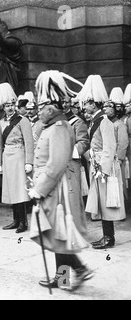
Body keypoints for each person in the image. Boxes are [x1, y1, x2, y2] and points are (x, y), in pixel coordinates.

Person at [28, 70, 93, 292]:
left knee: (58, 234)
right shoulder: (53, 126)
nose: (38, 112)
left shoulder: (58, 127)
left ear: (50, 108)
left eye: (40, 108)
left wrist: (39, 189)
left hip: (58, 191)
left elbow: (56, 164)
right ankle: (63, 278)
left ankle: (80, 269)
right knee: (57, 235)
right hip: (54, 190)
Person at [78, 75, 125, 250]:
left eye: (88, 102)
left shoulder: (103, 121)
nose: (86, 105)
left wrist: (103, 168)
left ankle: (109, 237)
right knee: (101, 202)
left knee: (107, 202)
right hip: (97, 165)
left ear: (94, 103)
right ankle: (106, 235)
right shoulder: (95, 121)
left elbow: (110, 146)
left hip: (104, 167)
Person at [0, 82, 34, 233]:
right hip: (7, 157)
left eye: (12, 104)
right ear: (3, 107)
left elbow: (29, 142)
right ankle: (15, 220)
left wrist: (29, 161)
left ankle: (23, 222)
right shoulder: (1, 123)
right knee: (11, 190)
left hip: (19, 155)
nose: (10, 108)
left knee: (20, 190)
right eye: (7, 105)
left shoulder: (22, 120)